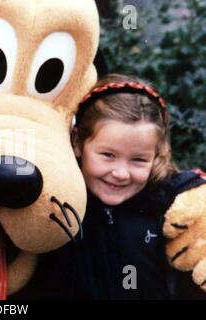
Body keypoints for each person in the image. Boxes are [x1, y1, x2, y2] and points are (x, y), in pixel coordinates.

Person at [70, 73, 206, 299]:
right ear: (77, 142)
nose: (121, 173)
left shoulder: (172, 207)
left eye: (138, 160)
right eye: (108, 155)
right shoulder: (62, 203)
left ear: (156, 154)